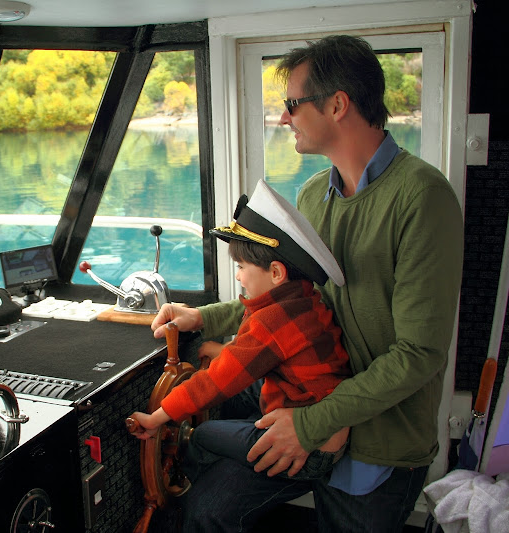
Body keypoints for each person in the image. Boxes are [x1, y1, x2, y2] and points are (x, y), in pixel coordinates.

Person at [151, 35, 464, 532]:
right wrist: (204, 317)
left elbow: (418, 354)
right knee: (205, 510)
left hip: (376, 436)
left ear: (337, 105)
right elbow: (289, 297)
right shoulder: (315, 193)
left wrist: (311, 425)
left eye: (293, 104)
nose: (283, 118)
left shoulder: (422, 198)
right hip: (305, 397)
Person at [129, 179, 352, 487]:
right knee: (236, 402)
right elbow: (270, 352)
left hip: (309, 446)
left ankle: (194, 489)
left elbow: (216, 381)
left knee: (203, 435)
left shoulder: (274, 321)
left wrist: (157, 417)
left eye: (242, 267)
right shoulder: (303, 300)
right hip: (328, 426)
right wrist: (221, 347)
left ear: (276, 273)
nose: (238, 276)